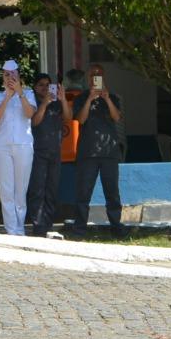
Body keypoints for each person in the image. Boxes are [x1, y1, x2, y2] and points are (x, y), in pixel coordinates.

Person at [68, 64, 125, 236]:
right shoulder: (81, 98)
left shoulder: (113, 97)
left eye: (99, 74)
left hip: (109, 152)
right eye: (93, 74)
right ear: (88, 78)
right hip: (87, 153)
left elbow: (116, 117)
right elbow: (81, 120)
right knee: (83, 193)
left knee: (112, 193)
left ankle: (116, 227)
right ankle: (79, 229)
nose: (96, 77)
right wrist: (90, 99)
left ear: (104, 76)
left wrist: (106, 98)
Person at [0, 59, 36, 236]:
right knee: (6, 188)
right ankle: (10, 229)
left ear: (19, 76)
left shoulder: (28, 93)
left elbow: (30, 113)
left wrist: (19, 93)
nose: (10, 78)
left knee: (21, 188)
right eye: (7, 75)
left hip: (23, 145)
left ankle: (19, 227)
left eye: (13, 75)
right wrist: (8, 96)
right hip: (2, 145)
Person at [26, 72, 65, 236]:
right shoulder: (32, 102)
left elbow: (69, 117)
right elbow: (34, 121)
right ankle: (38, 224)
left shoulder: (57, 103)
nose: (44, 88)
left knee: (52, 189)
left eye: (47, 85)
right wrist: (44, 104)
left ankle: (47, 224)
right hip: (38, 152)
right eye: (41, 85)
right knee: (37, 189)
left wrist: (62, 99)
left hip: (55, 152)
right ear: (35, 87)